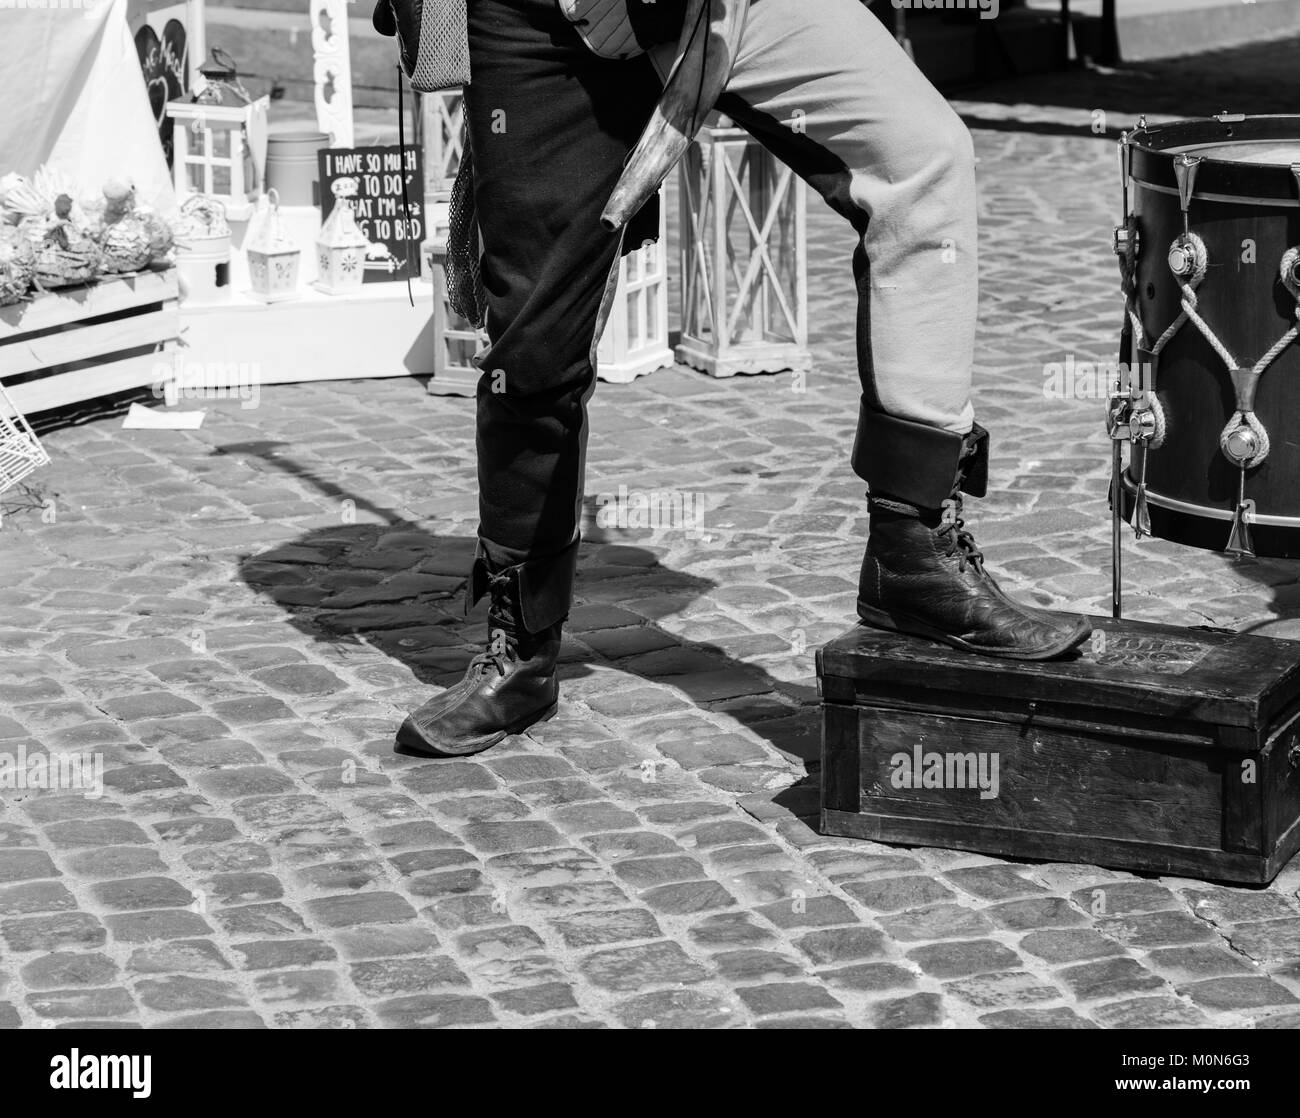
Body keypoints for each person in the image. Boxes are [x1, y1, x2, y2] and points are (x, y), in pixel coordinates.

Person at [372, 0, 1092, 758]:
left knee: (922, 157)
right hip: (537, 21)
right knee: (533, 344)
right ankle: (519, 652)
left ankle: (913, 555)